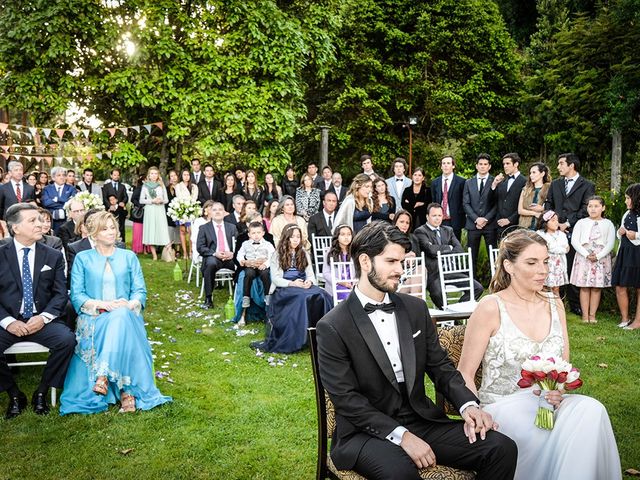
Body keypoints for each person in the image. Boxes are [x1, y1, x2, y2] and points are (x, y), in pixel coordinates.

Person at [316, 221, 517, 479]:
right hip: (365, 432)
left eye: (401, 262)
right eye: (391, 262)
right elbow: (346, 399)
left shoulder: (415, 309)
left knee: (501, 448)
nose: (400, 270)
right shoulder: (333, 326)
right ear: (365, 262)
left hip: (421, 420)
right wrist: (403, 437)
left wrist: (468, 405)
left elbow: (441, 367)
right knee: (401, 473)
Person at [458, 229, 621, 480]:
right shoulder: (490, 307)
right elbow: (465, 373)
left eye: (545, 261)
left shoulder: (555, 303)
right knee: (545, 428)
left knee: (592, 410)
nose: (543, 270)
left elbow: (563, 367)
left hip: (550, 402)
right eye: (532, 263)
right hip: (504, 406)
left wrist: (559, 391)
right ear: (509, 266)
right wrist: (474, 412)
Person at [59, 211, 172, 415]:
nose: (111, 232)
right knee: (120, 319)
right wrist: (104, 304)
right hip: (95, 317)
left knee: (121, 317)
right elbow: (77, 295)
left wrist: (129, 305)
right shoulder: (83, 258)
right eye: (105, 229)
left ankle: (103, 375)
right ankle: (127, 391)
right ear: (93, 233)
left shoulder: (129, 257)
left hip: (126, 313)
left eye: (113, 228)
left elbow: (140, 290)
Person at [0, 203, 75, 419]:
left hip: (42, 321)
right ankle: (14, 394)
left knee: (67, 341)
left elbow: (61, 294)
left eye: (39, 219)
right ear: (15, 228)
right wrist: (7, 322)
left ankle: (42, 391)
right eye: (32, 221)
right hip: (9, 322)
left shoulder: (52, 256)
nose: (40, 224)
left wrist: (43, 318)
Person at [258, 223, 332, 353]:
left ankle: (322, 337)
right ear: (286, 238)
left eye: (298, 236)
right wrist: (292, 283)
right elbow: (275, 279)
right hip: (285, 287)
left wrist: (309, 282)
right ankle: (299, 338)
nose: (296, 239)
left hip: (302, 284)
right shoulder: (277, 255)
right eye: (292, 237)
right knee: (302, 298)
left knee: (322, 294)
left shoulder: (304, 253)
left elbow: (310, 274)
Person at [544, 153, 595, 315]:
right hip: (553, 231)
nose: (558, 167)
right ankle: (555, 301)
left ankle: (575, 304)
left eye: (561, 163)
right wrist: (553, 222)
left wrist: (567, 223)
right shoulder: (555, 184)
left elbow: (585, 208)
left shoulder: (587, 185)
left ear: (571, 165)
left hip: (576, 231)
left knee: (573, 266)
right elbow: (548, 204)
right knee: (553, 265)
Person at [414, 203, 484, 309]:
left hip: (451, 272)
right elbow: (430, 250)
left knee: (477, 288)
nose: (437, 218)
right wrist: (449, 248)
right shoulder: (420, 231)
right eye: (434, 216)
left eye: (439, 215)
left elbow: (459, 250)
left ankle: (455, 311)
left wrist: (439, 249)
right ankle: (448, 315)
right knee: (437, 294)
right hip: (434, 274)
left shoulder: (448, 230)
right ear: (427, 216)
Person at [569, 196, 615, 323]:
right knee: (584, 286)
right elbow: (575, 241)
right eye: (590, 206)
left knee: (596, 287)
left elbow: (610, 243)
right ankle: (585, 316)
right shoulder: (581, 222)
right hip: (584, 257)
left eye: (596, 206)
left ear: (603, 208)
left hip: (600, 258)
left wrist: (599, 256)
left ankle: (592, 315)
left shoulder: (608, 224)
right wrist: (586, 254)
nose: (593, 209)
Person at [197, 202, 237, 309]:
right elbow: (200, 247)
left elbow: (239, 245)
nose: (218, 212)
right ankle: (208, 298)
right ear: (210, 212)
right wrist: (215, 253)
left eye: (220, 209)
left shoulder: (232, 227)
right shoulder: (204, 228)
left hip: (230, 258)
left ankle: (242, 296)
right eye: (214, 210)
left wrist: (233, 253)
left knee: (243, 264)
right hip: (214, 257)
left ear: (224, 212)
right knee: (210, 263)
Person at [236, 221, 275, 326]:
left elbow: (273, 256)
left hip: (263, 266)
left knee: (265, 274)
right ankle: (245, 303)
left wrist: (265, 264)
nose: (256, 235)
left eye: (258, 232)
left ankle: (268, 301)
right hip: (251, 266)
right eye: (253, 233)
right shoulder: (245, 244)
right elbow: (239, 254)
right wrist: (243, 261)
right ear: (249, 234)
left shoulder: (268, 244)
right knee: (248, 274)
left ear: (263, 233)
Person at [463, 154, 497, 274]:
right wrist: (476, 219)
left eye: (485, 164)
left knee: (493, 256)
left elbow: (496, 204)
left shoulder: (495, 181)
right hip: (473, 225)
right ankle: (473, 283)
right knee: (471, 256)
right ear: (476, 166)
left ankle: (496, 282)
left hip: (490, 225)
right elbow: (465, 203)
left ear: (489, 166)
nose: (483, 167)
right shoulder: (468, 182)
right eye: (480, 164)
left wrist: (486, 219)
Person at [613, 183, 640, 329]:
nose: (625, 201)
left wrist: (634, 234)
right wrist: (620, 232)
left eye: (628, 198)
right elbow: (619, 235)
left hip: (637, 255)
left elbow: (637, 235)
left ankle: (638, 321)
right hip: (625, 253)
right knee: (620, 285)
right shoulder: (627, 213)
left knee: (639, 288)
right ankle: (625, 318)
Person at [489, 153, 527, 240]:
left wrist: (509, 220)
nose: (505, 166)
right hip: (500, 226)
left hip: (516, 225)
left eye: (508, 163)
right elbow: (493, 201)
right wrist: (494, 184)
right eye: (504, 164)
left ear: (516, 164)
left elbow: (525, 205)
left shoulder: (525, 181)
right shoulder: (502, 182)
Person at [431, 155, 466, 241]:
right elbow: (434, 201)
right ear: (441, 166)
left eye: (448, 163)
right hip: (439, 219)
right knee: (440, 245)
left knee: (455, 246)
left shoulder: (462, 182)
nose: (446, 165)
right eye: (443, 163)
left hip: (455, 219)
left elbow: (464, 201)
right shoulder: (435, 182)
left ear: (453, 166)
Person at [140, 167, 171, 261]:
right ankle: (154, 255)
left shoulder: (161, 185)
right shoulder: (145, 186)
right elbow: (141, 200)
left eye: (155, 173)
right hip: (150, 210)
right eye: (152, 173)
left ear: (158, 175)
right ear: (149, 175)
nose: (154, 175)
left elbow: (166, 200)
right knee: (151, 230)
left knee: (162, 230)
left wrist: (161, 201)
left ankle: (167, 253)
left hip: (160, 210)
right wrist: (152, 201)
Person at [536, 210, 569, 297]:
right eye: (553, 220)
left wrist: (557, 248)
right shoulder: (540, 234)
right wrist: (560, 249)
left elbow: (566, 248)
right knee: (544, 287)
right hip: (546, 264)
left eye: (557, 220)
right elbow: (548, 247)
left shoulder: (561, 234)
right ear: (546, 222)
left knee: (555, 288)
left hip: (558, 266)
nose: (556, 222)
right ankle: (543, 306)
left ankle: (557, 308)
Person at [322, 224, 353, 301]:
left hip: (353, 284)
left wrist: (356, 282)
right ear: (337, 237)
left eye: (349, 234)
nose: (346, 237)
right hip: (337, 284)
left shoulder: (355, 252)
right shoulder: (331, 252)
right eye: (342, 234)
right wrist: (340, 282)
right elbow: (326, 273)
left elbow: (360, 271)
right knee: (348, 295)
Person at [42, 166, 77, 234]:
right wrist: (64, 202)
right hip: (51, 222)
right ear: (53, 177)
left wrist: (56, 199)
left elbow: (71, 204)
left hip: (66, 221)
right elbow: (46, 203)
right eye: (58, 175)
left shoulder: (71, 189)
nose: (62, 177)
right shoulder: (47, 189)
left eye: (63, 175)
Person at [0, 161, 36, 225]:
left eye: (21, 170)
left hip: (26, 222)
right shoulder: (3, 188)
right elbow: (1, 207)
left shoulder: (30, 188)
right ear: (10, 173)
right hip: (9, 222)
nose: (19, 172)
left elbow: (32, 206)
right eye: (16, 170)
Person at [174, 168, 199, 259]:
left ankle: (191, 252)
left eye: (188, 175)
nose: (186, 177)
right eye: (184, 175)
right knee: (182, 231)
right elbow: (179, 197)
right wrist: (184, 205)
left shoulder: (194, 186)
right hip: (181, 209)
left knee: (191, 231)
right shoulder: (178, 186)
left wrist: (190, 205)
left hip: (191, 210)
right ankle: (184, 253)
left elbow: (194, 197)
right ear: (182, 176)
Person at [518, 162, 551, 229]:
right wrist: (535, 213)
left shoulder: (549, 189)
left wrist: (542, 209)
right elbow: (520, 210)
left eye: (534, 172)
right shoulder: (525, 189)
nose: (531, 175)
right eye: (530, 173)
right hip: (525, 226)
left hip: (541, 226)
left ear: (542, 174)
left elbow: (553, 207)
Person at [101, 168, 128, 242]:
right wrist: (110, 206)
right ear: (111, 175)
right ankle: (110, 242)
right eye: (114, 175)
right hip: (110, 211)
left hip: (120, 211)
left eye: (118, 175)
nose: (116, 176)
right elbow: (104, 198)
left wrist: (123, 202)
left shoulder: (122, 186)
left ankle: (122, 244)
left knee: (121, 228)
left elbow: (126, 197)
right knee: (110, 226)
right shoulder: (106, 186)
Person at [130, 174, 147, 254]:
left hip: (147, 212)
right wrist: (141, 205)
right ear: (143, 180)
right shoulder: (138, 188)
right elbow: (133, 199)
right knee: (138, 231)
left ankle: (146, 249)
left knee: (146, 231)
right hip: (139, 212)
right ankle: (137, 248)